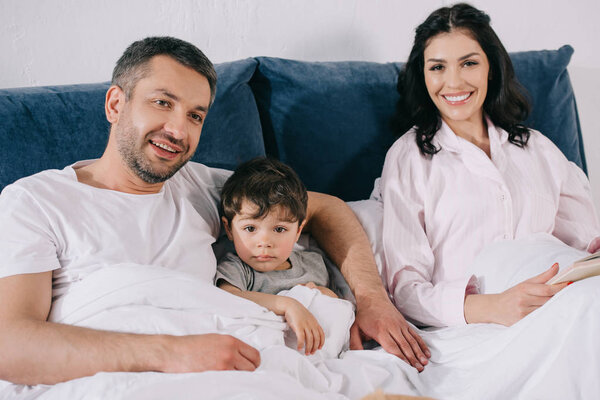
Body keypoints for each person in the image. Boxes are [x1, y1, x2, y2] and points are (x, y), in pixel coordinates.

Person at [0, 36, 429, 386]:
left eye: (196, 115)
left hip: (236, 364)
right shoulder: (35, 201)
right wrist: (175, 353)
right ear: (116, 104)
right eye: (163, 103)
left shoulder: (200, 186)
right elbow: (10, 345)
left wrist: (373, 301)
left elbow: (327, 208)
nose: (178, 130)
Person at [373, 3, 600, 328]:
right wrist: (489, 308)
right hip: (475, 330)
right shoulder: (410, 156)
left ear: (490, 67)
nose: (453, 82)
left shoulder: (537, 148)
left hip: (560, 309)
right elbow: (405, 289)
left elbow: (585, 243)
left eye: (468, 63)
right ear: (422, 75)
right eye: (437, 67)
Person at [216, 157, 343, 356]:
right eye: (250, 228)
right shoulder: (236, 268)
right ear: (229, 229)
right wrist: (288, 304)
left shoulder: (314, 263)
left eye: (280, 229)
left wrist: (321, 295)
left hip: (318, 352)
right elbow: (228, 298)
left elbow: (340, 308)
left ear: (298, 231)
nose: (265, 241)